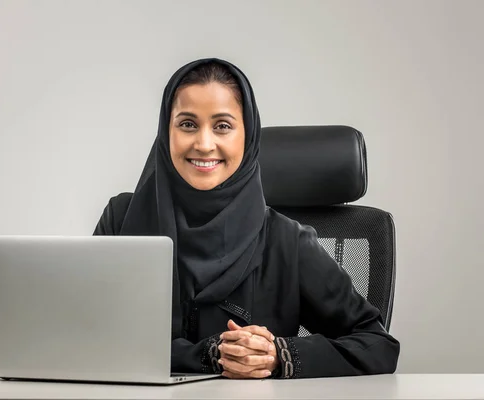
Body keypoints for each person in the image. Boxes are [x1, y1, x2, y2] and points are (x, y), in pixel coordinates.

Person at [93, 58, 400, 379]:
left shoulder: (287, 242)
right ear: (165, 133)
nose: (204, 143)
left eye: (222, 125)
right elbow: (85, 335)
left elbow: (378, 344)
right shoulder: (121, 220)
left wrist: (280, 354)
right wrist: (205, 356)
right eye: (187, 124)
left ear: (247, 136)